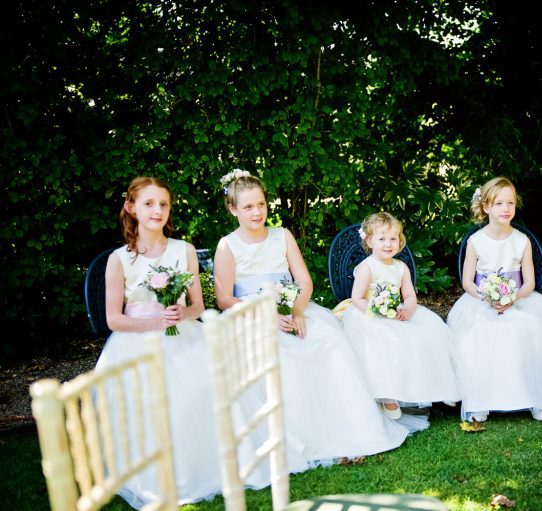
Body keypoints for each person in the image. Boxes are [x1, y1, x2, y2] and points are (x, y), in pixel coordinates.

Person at [214, 170, 409, 462]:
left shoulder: (282, 235)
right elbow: (224, 298)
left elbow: (304, 282)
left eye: (261, 205)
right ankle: (293, 436)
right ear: (232, 209)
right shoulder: (227, 245)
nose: (257, 212)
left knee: (330, 341)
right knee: (278, 355)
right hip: (250, 314)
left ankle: (349, 428)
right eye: (248, 207)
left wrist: (297, 310)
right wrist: (264, 315)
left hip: (293, 307)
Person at [97, 176, 222, 507]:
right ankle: (153, 474)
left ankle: (198, 466)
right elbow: (114, 319)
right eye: (149, 203)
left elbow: (198, 306)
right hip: (135, 341)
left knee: (200, 387)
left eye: (163, 204)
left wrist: (182, 313)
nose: (157, 210)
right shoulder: (119, 259)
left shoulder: (184, 250)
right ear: (131, 208)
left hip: (183, 334)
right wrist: (155, 322)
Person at [447, 177, 542, 423]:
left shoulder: (522, 240)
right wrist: (486, 297)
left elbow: (530, 282)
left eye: (511, 203)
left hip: (518, 297)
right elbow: (467, 281)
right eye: (499, 203)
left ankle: (539, 400)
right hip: (481, 300)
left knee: (533, 330)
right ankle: (481, 401)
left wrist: (513, 297)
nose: (506, 209)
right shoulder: (476, 241)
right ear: (485, 207)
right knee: (479, 333)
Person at [340, 212, 460, 419]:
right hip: (369, 312)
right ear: (369, 241)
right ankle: (388, 396)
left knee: (432, 331)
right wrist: (377, 310)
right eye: (382, 238)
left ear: (400, 241)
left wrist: (409, 309)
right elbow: (357, 298)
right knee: (386, 341)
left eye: (393, 238)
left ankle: (441, 386)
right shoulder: (367, 267)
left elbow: (409, 295)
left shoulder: (400, 267)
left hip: (397, 311)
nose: (388, 244)